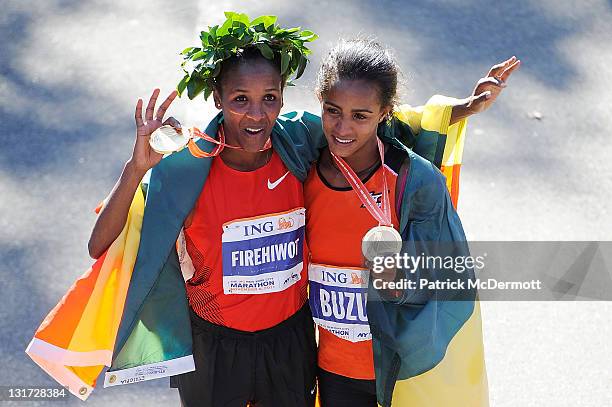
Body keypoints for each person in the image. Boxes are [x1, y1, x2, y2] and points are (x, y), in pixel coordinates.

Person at [37, 12, 507, 403]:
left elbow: (373, 127)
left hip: (291, 342)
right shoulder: (187, 166)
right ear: (217, 98)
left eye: (270, 100)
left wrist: (462, 109)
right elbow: (101, 243)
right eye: (240, 99)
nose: (257, 115)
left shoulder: (299, 143)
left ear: (284, 99)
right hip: (215, 348)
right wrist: (135, 169)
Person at [305, 39, 519, 406]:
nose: (342, 127)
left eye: (361, 116)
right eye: (332, 110)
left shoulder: (415, 180)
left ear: (385, 112)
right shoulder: (302, 161)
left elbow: (448, 272)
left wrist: (400, 283)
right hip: (332, 369)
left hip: (401, 371)